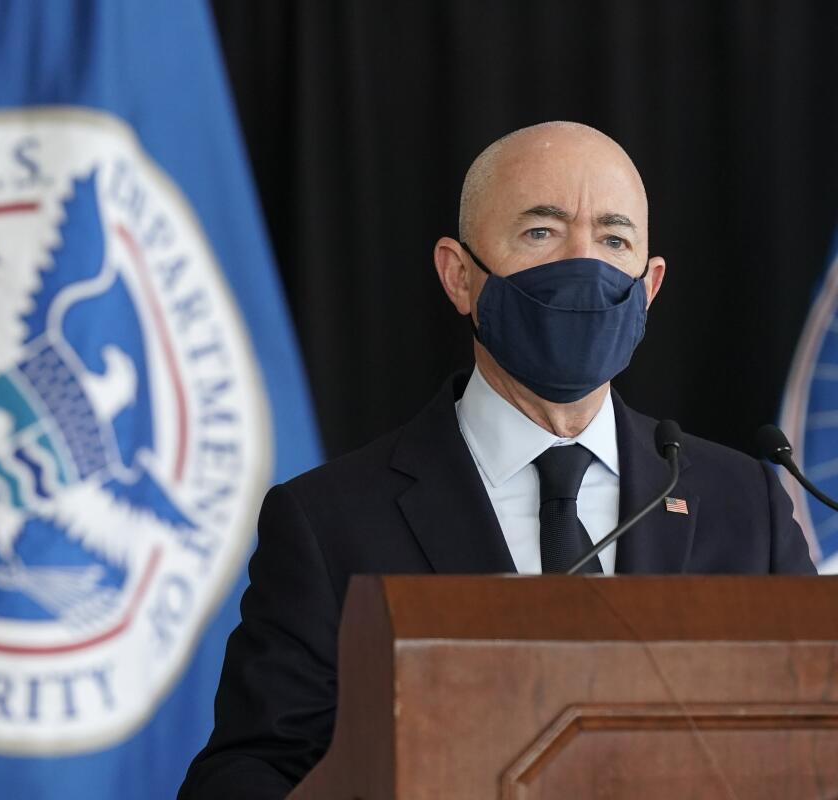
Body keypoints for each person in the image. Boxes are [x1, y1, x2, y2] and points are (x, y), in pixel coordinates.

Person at [178, 121, 817, 799]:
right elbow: (246, 777)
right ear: (460, 276)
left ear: (650, 285)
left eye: (614, 239)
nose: (585, 265)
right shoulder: (326, 523)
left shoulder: (745, 505)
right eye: (542, 232)